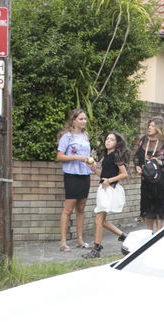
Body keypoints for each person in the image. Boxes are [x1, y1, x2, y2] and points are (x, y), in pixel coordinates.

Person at [56, 108, 95, 251]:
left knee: (81, 208)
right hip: (72, 174)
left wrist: (91, 163)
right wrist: (77, 157)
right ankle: (63, 242)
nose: (84, 121)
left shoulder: (86, 136)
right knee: (68, 209)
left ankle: (80, 240)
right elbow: (60, 156)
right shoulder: (67, 137)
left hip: (85, 174)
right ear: (74, 120)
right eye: (81, 119)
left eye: (85, 119)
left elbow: (87, 155)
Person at [89, 131, 130, 257]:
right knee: (102, 221)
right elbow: (104, 175)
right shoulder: (106, 156)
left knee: (99, 219)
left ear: (117, 143)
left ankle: (96, 249)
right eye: (107, 139)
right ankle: (123, 236)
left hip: (110, 190)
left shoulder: (116, 156)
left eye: (111, 139)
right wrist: (95, 170)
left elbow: (124, 174)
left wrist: (109, 181)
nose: (108, 141)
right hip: (104, 189)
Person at [135, 117, 164, 234]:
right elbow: (137, 155)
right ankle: (148, 233)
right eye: (149, 125)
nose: (149, 128)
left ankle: (158, 233)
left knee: (159, 206)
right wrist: (137, 165)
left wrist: (160, 162)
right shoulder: (143, 140)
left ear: (159, 127)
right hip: (146, 179)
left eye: (152, 126)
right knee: (147, 206)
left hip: (161, 180)